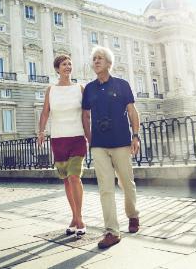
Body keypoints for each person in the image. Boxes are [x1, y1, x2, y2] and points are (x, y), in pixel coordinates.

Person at [82, 45, 140, 249]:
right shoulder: (89, 88)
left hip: (121, 142)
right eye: (94, 58)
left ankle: (133, 215)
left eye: (100, 58)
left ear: (108, 63)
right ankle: (111, 232)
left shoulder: (122, 85)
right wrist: (90, 139)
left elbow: (132, 111)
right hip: (99, 145)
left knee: (126, 183)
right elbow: (85, 114)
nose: (96, 61)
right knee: (105, 188)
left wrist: (136, 136)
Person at [37, 54, 87, 237]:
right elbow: (44, 113)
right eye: (64, 64)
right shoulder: (51, 90)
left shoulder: (80, 88)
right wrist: (41, 132)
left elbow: (86, 114)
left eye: (69, 64)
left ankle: (80, 218)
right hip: (58, 139)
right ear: (57, 69)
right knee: (66, 180)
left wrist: (90, 134)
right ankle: (74, 217)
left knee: (74, 177)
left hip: (77, 138)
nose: (67, 67)